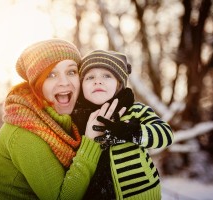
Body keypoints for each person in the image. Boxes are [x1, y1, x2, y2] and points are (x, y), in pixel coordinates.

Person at [0, 39, 116, 200]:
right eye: (51, 74)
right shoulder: (23, 132)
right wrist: (91, 143)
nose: (64, 82)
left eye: (71, 72)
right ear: (37, 85)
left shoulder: (67, 119)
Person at [72, 50, 174, 199]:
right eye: (90, 77)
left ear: (119, 84)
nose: (98, 81)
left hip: (139, 195)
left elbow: (166, 135)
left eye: (107, 76)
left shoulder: (135, 111)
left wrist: (133, 132)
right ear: (81, 86)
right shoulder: (75, 119)